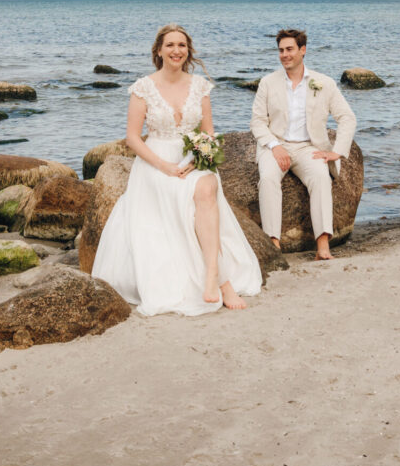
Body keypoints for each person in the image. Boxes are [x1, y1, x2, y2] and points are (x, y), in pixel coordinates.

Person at [91, 24, 262, 315]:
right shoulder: (143, 88)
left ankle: (213, 276)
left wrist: (199, 157)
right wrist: (165, 166)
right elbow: (133, 138)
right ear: (159, 51)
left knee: (207, 187)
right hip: (155, 164)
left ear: (188, 51)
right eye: (170, 45)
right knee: (184, 193)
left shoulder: (200, 86)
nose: (176, 50)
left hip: (192, 159)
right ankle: (223, 282)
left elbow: (208, 132)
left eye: (181, 45)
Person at [249, 28, 356, 260]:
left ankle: (323, 245)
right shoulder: (267, 82)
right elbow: (257, 122)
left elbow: (347, 118)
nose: (284, 55)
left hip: (309, 147)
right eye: (281, 50)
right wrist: (274, 146)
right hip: (275, 145)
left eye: (289, 49)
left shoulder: (324, 83)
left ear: (303, 50)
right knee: (267, 179)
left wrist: (337, 152)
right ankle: (273, 244)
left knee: (320, 177)